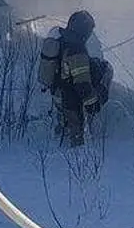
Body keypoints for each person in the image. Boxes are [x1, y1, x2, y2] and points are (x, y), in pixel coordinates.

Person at [44, 10, 113, 146]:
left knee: (64, 127)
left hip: (58, 95)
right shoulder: (77, 50)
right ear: (83, 30)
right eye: (89, 31)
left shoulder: (62, 40)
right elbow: (82, 84)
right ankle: (71, 154)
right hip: (71, 101)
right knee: (76, 139)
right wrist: (93, 103)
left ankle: (58, 141)